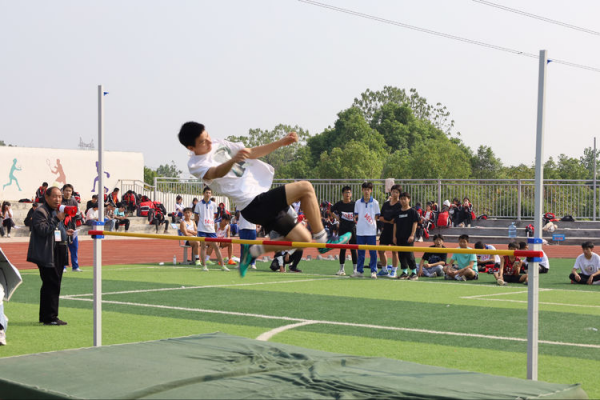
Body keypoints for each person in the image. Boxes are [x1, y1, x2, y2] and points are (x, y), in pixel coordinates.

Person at [178, 122, 349, 277]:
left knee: (303, 240)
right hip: (253, 203)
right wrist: (233, 161)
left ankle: (255, 250)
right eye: (202, 142)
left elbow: (251, 153)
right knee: (306, 188)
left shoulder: (218, 143)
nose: (209, 142)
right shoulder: (195, 164)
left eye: (207, 136)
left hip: (262, 200)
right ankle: (322, 240)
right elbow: (216, 173)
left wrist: (281, 142)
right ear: (191, 147)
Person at [27, 186, 73, 325]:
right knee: (52, 283)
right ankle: (51, 317)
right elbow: (42, 230)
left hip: (57, 251)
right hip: (47, 253)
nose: (58, 199)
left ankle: (45, 316)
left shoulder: (55, 211)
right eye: (55, 196)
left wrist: (66, 232)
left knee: (50, 284)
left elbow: (55, 230)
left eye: (60, 196)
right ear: (46, 197)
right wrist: (56, 219)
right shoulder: (41, 211)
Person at [194, 187, 227, 272]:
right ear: (203, 193)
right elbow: (196, 216)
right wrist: (201, 223)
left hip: (211, 229)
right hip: (202, 229)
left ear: (211, 194)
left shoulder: (214, 204)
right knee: (203, 246)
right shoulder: (198, 204)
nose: (208, 194)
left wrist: (210, 222)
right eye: (206, 192)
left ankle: (222, 265)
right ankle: (204, 266)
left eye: (209, 193)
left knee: (216, 246)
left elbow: (214, 215)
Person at [352, 182, 380, 279]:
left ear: (371, 190)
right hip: (360, 231)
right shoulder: (357, 203)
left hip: (371, 232)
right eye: (365, 189)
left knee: (373, 252)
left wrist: (371, 224)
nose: (366, 191)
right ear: (362, 190)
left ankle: (373, 271)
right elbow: (356, 216)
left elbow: (376, 216)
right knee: (360, 253)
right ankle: (359, 271)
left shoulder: (375, 203)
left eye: (368, 189)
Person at [330, 186, 357, 276]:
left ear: (351, 194)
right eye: (346, 192)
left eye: (349, 192)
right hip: (343, 228)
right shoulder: (339, 204)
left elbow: (359, 213)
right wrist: (336, 217)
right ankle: (342, 270)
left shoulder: (354, 204)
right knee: (343, 249)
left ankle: (355, 270)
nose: (347, 194)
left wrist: (355, 218)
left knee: (353, 249)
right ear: (342, 194)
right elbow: (330, 211)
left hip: (352, 228)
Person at [392, 192, 420, 280]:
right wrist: (394, 236)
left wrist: (412, 235)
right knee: (401, 254)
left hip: (409, 237)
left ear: (409, 200)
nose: (403, 201)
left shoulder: (412, 211)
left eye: (405, 199)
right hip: (399, 236)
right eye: (401, 199)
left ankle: (414, 272)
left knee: (409, 254)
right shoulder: (398, 212)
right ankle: (404, 272)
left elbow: (415, 223)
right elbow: (395, 225)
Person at [377, 185, 401, 278]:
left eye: (396, 192)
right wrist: (388, 221)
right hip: (386, 230)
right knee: (381, 250)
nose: (394, 193)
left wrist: (392, 221)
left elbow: (396, 220)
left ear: (399, 194)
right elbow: (381, 217)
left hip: (396, 231)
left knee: (395, 251)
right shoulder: (386, 204)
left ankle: (394, 270)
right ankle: (384, 269)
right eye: (393, 191)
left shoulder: (399, 205)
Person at [61, 184, 82, 272]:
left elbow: (78, 214)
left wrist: (73, 214)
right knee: (62, 248)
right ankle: (63, 267)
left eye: (69, 190)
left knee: (74, 247)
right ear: (63, 191)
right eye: (66, 190)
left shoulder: (74, 201)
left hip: (72, 227)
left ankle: (75, 266)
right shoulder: (60, 200)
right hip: (62, 228)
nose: (68, 192)